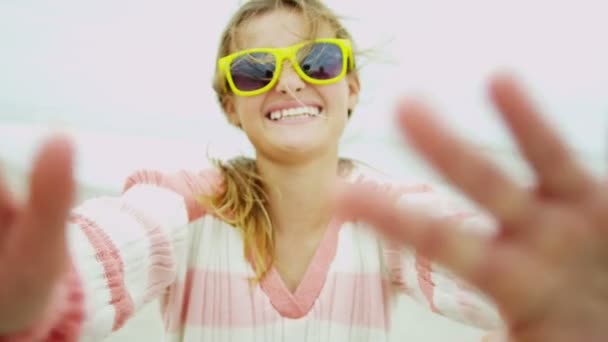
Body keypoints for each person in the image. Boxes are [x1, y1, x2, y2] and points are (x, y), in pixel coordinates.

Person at [0, 0, 606, 341]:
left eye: (316, 60)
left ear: (351, 88)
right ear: (230, 106)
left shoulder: (393, 217)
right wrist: (48, 288)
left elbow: (478, 263)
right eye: (255, 69)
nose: (289, 80)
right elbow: (114, 244)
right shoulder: (182, 205)